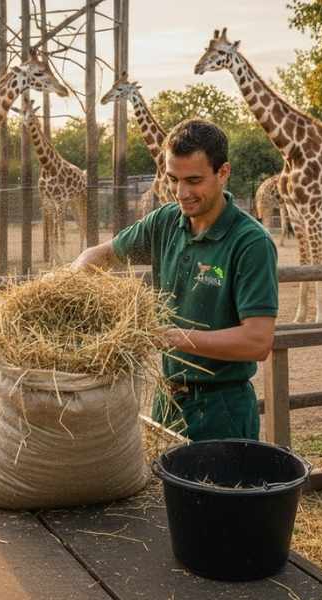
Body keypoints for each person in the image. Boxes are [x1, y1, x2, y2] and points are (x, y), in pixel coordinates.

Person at [71, 118, 278, 441]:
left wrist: (170, 337)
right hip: (167, 400)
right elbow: (102, 255)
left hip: (220, 409)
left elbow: (258, 341)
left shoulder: (251, 243)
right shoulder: (166, 221)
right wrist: (70, 285)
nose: (181, 193)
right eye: (173, 179)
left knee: (218, 491)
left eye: (194, 180)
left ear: (223, 172)